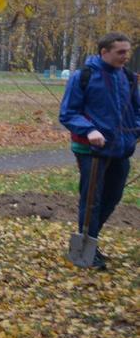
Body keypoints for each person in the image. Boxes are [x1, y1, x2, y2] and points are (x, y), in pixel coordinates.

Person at [59, 32, 139, 270]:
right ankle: (84, 251)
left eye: (127, 51)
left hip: (121, 150)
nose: (125, 56)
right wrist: (90, 130)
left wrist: (134, 132)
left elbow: (137, 110)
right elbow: (68, 113)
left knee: (113, 196)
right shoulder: (83, 76)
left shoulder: (128, 78)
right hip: (90, 150)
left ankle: (91, 240)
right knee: (92, 200)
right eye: (120, 52)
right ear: (104, 52)